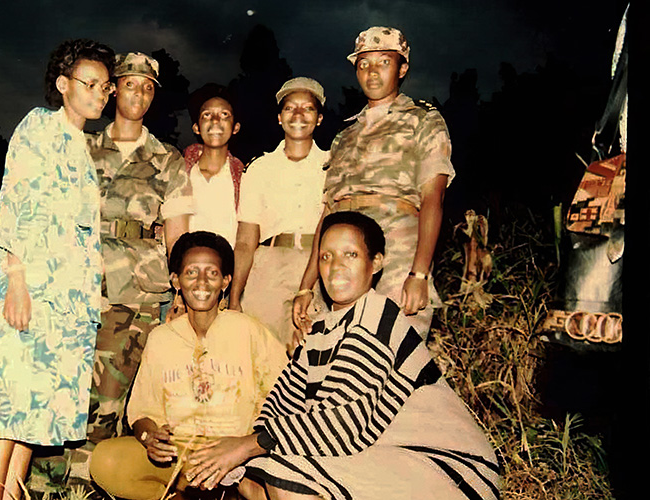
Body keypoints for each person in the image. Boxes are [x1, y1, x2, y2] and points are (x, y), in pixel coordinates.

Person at [182, 212, 500, 500]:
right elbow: (281, 404)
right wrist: (234, 448)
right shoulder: (321, 330)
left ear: (376, 263)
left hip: (453, 469)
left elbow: (343, 425)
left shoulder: (378, 315)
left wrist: (247, 446)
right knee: (248, 475)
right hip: (387, 459)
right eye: (326, 256)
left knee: (287, 476)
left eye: (351, 255)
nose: (336, 266)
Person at [0, 39, 115, 500]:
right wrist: (16, 282)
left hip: (63, 305)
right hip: (25, 289)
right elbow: (14, 204)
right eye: (89, 84)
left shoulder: (83, 148)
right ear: (63, 85)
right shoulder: (40, 126)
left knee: (34, 413)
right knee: (2, 408)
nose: (100, 94)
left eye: (105, 87)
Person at [66, 51, 193, 484]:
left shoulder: (167, 158)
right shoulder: (82, 145)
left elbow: (177, 233)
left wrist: (179, 294)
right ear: (113, 89)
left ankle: (91, 484)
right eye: (130, 84)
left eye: (147, 87)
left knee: (110, 398)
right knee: (65, 386)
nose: (138, 93)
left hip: (135, 293)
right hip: (77, 283)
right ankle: (46, 484)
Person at [89, 231, 288, 499]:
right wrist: (150, 438)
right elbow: (142, 412)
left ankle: (227, 489)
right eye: (191, 272)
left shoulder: (249, 331)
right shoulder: (161, 338)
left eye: (212, 273)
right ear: (176, 280)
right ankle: (182, 492)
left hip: (238, 457)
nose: (201, 282)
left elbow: (286, 399)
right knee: (106, 460)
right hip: (179, 457)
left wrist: (245, 447)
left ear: (226, 281)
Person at [293, 26, 454, 340]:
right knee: (337, 352)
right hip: (342, 256)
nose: (372, 71)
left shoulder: (423, 119)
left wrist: (419, 273)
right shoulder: (344, 136)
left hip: (396, 253)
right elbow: (328, 213)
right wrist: (306, 286)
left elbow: (433, 198)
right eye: (364, 64)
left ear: (402, 69)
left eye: (384, 62)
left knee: (394, 349)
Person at [228, 77, 329, 349]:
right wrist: (234, 298)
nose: (298, 115)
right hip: (269, 267)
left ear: (319, 118)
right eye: (290, 108)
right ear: (279, 117)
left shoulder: (333, 165)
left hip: (318, 265)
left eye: (308, 108)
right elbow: (246, 241)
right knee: (263, 351)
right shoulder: (259, 168)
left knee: (312, 352)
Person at [183, 83, 245, 248]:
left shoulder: (245, 179)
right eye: (207, 115)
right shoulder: (178, 172)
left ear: (235, 127)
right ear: (196, 127)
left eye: (224, 114)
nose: (215, 120)